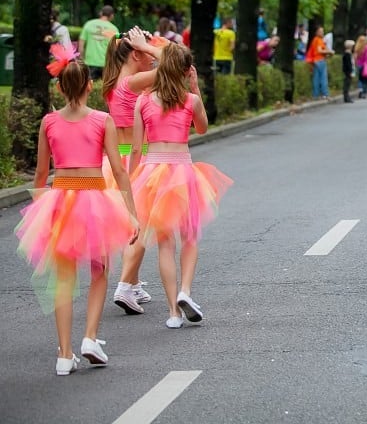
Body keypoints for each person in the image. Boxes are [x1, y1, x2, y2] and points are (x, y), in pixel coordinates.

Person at [15, 45, 139, 375]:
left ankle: (64, 354)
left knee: (63, 279)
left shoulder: (49, 121)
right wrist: (130, 211)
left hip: (59, 199)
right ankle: (90, 338)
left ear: (60, 86)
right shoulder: (102, 120)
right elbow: (120, 169)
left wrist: (42, 211)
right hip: (95, 198)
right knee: (99, 271)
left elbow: (41, 174)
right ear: (89, 86)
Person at [128, 43, 232, 328]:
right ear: (187, 71)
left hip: (150, 172)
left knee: (164, 244)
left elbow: (137, 149)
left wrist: (131, 185)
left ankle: (173, 312)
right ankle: (186, 291)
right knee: (190, 237)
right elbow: (202, 128)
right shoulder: (190, 100)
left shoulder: (144, 100)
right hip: (182, 171)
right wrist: (195, 88)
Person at [102, 27, 163, 315]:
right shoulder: (134, 81)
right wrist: (151, 47)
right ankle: (125, 286)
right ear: (136, 54)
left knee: (133, 223)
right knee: (142, 226)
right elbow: (178, 64)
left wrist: (145, 46)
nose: (151, 56)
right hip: (137, 160)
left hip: (117, 159)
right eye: (145, 51)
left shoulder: (114, 82)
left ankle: (134, 283)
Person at [78, 5, 120, 80]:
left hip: (90, 62)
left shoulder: (89, 24)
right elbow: (116, 49)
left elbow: (81, 45)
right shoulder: (114, 29)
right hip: (106, 64)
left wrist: (82, 59)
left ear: (101, 13)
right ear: (112, 15)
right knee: (105, 88)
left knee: (89, 87)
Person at [305, 26, 334, 99]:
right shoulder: (318, 40)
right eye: (321, 31)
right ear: (317, 32)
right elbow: (320, 50)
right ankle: (325, 94)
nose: (322, 33)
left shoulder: (315, 40)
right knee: (323, 78)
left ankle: (315, 95)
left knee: (316, 78)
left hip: (316, 60)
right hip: (320, 60)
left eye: (322, 31)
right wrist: (330, 51)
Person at [355, 34, 367, 99]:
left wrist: (356, 64)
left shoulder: (357, 48)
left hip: (359, 65)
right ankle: (364, 92)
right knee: (366, 80)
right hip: (366, 66)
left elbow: (355, 57)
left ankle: (360, 89)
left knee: (360, 79)